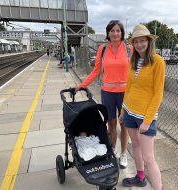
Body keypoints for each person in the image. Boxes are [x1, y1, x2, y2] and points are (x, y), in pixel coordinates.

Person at [74, 20, 132, 169]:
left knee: (124, 124)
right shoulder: (102, 49)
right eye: (112, 31)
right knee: (111, 123)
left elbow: (135, 73)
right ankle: (113, 149)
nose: (115, 33)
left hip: (125, 94)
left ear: (122, 33)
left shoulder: (129, 49)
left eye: (118, 30)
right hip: (107, 93)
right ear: (108, 33)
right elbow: (96, 71)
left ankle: (124, 154)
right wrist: (82, 85)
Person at [119, 24, 165, 189]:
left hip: (145, 117)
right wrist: (123, 110)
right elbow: (129, 87)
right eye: (136, 41)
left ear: (149, 41)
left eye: (142, 41)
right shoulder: (134, 60)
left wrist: (147, 120)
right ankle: (140, 177)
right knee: (135, 146)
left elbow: (158, 94)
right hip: (130, 112)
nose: (139, 44)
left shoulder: (158, 61)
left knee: (148, 157)